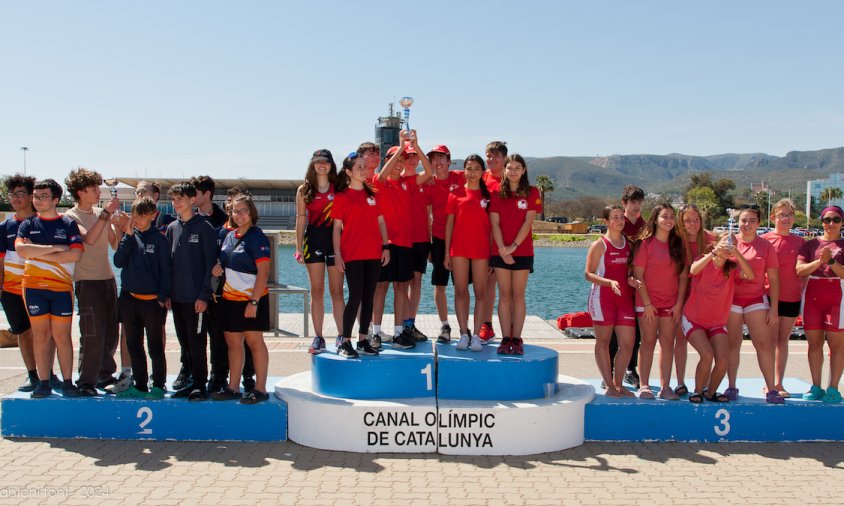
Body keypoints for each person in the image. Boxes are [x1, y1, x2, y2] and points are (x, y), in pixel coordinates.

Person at [15, 179, 84, 398]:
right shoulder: (27, 224)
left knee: (62, 337)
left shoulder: (67, 224)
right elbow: (22, 252)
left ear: (56, 199)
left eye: (43, 196)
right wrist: (55, 248)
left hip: (61, 288)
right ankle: (43, 382)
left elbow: (75, 254)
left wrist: (38, 251)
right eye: (35, 196)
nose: (37, 200)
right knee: (40, 336)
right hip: (34, 287)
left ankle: (67, 382)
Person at [371, 131, 434, 350]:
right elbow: (381, 176)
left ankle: (399, 332)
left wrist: (415, 146)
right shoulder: (378, 182)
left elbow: (429, 171)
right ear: (387, 161)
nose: (399, 163)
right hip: (386, 244)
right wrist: (399, 147)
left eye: (401, 160)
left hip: (405, 244)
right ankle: (376, 331)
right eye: (394, 160)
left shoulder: (409, 182)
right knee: (381, 287)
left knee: (401, 287)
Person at [64, 168, 121, 397]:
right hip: (87, 282)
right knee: (92, 333)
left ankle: (105, 376)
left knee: (110, 333)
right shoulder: (70, 217)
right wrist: (106, 215)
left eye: (99, 187)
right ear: (80, 192)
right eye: (94, 189)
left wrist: (121, 225)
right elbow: (88, 238)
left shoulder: (100, 212)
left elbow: (114, 244)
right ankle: (86, 381)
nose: (99, 192)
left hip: (108, 280)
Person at [0, 174, 59, 391]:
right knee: (23, 333)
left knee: (47, 333)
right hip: (12, 290)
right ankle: (32, 376)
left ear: (31, 196)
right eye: (12, 194)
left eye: (20, 193)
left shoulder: (43, 222)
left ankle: (49, 374)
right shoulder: (4, 227)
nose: (15, 198)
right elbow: (1, 261)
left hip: (40, 287)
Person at [211, 195, 271, 403]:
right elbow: (224, 261)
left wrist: (254, 302)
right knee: (233, 342)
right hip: (229, 299)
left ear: (252, 212)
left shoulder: (257, 237)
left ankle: (260, 389)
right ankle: (233, 387)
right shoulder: (229, 236)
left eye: (243, 210)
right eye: (235, 211)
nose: (239, 215)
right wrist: (217, 267)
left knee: (255, 343)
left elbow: (263, 273)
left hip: (251, 300)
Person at [332, 153, 390, 359]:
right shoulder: (341, 196)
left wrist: (386, 247)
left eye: (365, 167)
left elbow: (382, 222)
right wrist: (337, 255)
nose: (364, 170)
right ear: (348, 172)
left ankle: (363, 339)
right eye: (359, 167)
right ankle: (345, 341)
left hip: (373, 252)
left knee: (368, 298)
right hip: (352, 253)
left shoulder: (373, 194)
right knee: (355, 296)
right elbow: (337, 228)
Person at [683, 234, 754, 403]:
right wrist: (714, 253)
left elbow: (750, 276)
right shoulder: (704, 259)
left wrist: (736, 253)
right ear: (715, 243)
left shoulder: (732, 267)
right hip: (694, 319)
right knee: (706, 355)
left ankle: (710, 392)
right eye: (726, 242)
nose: (729, 246)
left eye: (734, 244)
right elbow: (693, 270)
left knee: (723, 360)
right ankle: (698, 391)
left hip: (716, 323)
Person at [112, 197, 171, 399]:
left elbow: (166, 271)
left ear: (153, 215)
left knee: (155, 345)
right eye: (135, 215)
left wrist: (162, 297)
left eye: (142, 216)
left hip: (153, 302)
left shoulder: (160, 239)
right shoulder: (130, 236)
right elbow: (118, 261)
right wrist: (127, 236)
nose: (137, 219)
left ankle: (159, 384)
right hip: (129, 300)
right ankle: (139, 384)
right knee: (133, 344)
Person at [726, 205, 783, 403]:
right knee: (733, 345)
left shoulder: (766, 246)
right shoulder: (730, 242)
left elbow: (774, 279)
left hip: (756, 299)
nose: (747, 224)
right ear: (738, 222)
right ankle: (731, 386)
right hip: (731, 300)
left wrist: (774, 308)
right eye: (743, 220)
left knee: (763, 344)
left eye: (752, 220)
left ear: (758, 223)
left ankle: (771, 388)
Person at [165, 182, 217, 401]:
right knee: (185, 344)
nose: (176, 203)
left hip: (197, 300)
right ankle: (191, 383)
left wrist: (203, 296)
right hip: (177, 299)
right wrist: (167, 294)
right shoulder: (171, 228)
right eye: (173, 199)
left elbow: (210, 266)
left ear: (192, 200)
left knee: (197, 345)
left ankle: (200, 386)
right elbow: (168, 264)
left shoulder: (204, 228)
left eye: (180, 199)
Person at [632, 203, 687, 400]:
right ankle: (644, 385)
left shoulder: (677, 245)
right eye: (665, 216)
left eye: (672, 216)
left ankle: (665, 387)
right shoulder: (645, 244)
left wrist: (679, 304)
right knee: (647, 342)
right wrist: (647, 304)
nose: (669, 220)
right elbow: (638, 276)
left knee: (667, 344)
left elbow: (682, 277)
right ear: (655, 219)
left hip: (670, 304)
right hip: (647, 303)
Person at [490, 154, 541, 355]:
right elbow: (494, 223)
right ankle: (505, 339)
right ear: (504, 170)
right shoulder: (496, 193)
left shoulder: (532, 192)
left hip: (522, 251)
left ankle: (517, 338)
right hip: (500, 251)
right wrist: (503, 249)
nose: (513, 172)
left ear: (524, 170)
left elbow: (528, 222)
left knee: (518, 296)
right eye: (509, 168)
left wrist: (513, 247)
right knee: (504, 296)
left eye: (517, 168)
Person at [295, 150, 344, 355]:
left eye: (326, 162)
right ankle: (318, 337)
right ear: (312, 165)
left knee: (337, 291)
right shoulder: (304, 189)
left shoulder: (339, 187)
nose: (322, 165)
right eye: (318, 162)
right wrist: (298, 248)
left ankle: (342, 336)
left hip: (335, 240)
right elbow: (301, 219)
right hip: (313, 239)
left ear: (331, 165)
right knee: (317, 291)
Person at [585, 206, 637, 397]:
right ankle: (609, 385)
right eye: (615, 217)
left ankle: (619, 383)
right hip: (602, 299)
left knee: (628, 344)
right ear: (606, 221)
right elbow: (588, 274)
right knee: (603, 342)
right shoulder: (600, 245)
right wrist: (608, 282)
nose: (620, 221)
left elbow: (629, 271)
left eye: (621, 217)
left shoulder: (629, 244)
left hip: (624, 300)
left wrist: (631, 279)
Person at [795, 205, 844, 403]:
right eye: (826, 219)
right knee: (814, 343)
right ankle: (816, 386)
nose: (831, 223)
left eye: (836, 219)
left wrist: (831, 262)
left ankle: (833, 388)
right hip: (813, 296)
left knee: (837, 345)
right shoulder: (810, 245)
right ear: (821, 221)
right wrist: (819, 262)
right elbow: (799, 270)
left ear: (842, 222)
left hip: (838, 296)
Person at [445, 155, 492, 352]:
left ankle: (476, 336)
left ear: (483, 172)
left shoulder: (488, 196)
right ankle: (463, 333)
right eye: (469, 168)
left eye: (476, 169)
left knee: (481, 293)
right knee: (461, 291)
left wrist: (492, 254)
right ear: (463, 170)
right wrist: (447, 253)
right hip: (459, 249)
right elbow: (449, 225)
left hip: (481, 250)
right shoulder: (455, 194)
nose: (472, 172)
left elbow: (493, 227)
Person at [762, 199, 804, 398]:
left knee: (783, 341)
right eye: (782, 215)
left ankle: (779, 382)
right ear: (773, 218)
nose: (786, 219)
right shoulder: (765, 240)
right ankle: (768, 383)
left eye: (789, 215)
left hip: (792, 297)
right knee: (769, 342)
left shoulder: (801, 242)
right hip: (769, 297)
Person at [423, 144, 464, 343]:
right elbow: (427, 215)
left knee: (461, 286)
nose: (437, 163)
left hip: (462, 240)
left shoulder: (461, 177)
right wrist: (430, 244)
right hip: (439, 239)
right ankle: (445, 325)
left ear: (449, 161)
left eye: (441, 158)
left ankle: (465, 328)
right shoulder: (428, 183)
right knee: (440, 285)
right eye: (433, 159)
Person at [672, 204, 715, 396]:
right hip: (680, 295)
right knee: (680, 340)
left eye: (696, 219)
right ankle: (680, 382)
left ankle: (704, 384)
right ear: (681, 222)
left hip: (705, 299)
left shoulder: (710, 240)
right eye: (687, 220)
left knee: (707, 345)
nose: (692, 224)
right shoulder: (676, 242)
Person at [612, 184, 646, 389]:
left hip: (639, 285)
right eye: (633, 202)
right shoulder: (618, 223)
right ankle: (610, 371)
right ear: (624, 203)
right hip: (618, 284)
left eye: (640, 202)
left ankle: (630, 369)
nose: (636, 206)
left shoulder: (646, 226)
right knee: (615, 331)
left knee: (638, 332)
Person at [478, 140, 508, 343]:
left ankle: (511, 330)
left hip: (507, 239)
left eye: (496, 156)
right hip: (483, 238)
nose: (491, 159)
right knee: (487, 284)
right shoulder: (481, 178)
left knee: (509, 289)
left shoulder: (511, 179)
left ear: (504, 158)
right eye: (488, 156)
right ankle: (486, 325)